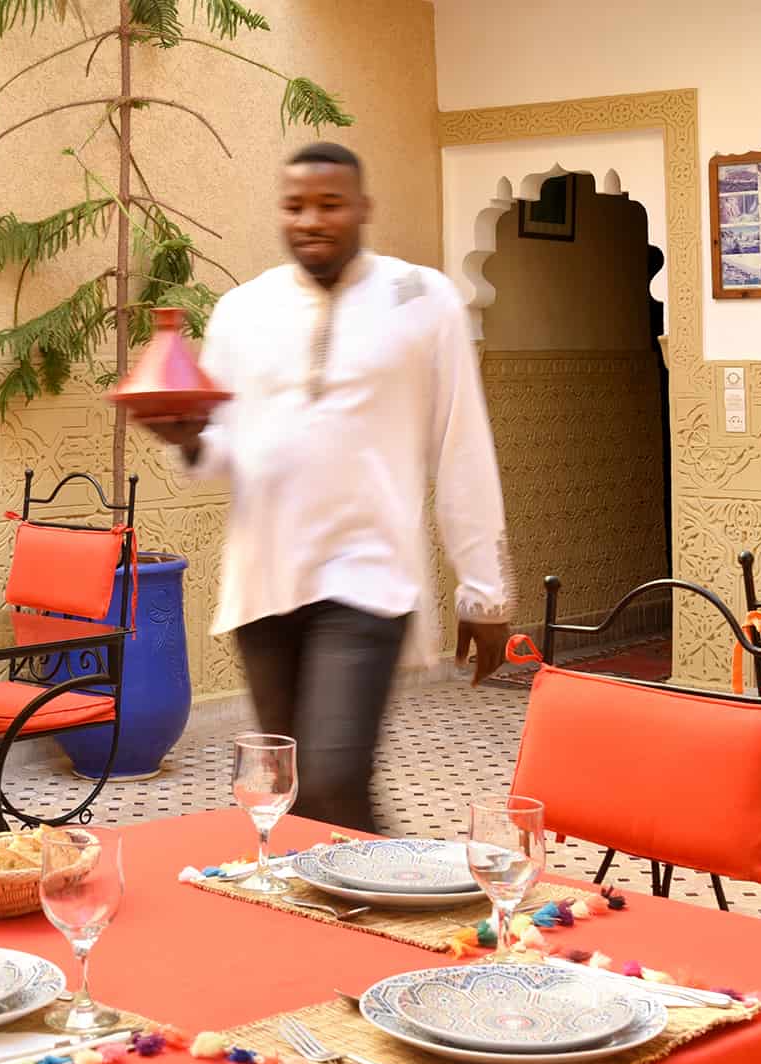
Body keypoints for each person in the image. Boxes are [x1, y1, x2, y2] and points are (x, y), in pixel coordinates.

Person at [140, 142, 514, 834]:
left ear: (364, 208)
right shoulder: (242, 312)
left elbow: (461, 444)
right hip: (265, 583)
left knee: (337, 778)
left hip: (369, 578)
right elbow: (218, 449)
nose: (312, 219)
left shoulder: (422, 299)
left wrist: (484, 589)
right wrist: (185, 436)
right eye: (295, 205)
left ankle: (400, 911)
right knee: (295, 795)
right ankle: (334, 920)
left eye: (330, 204)